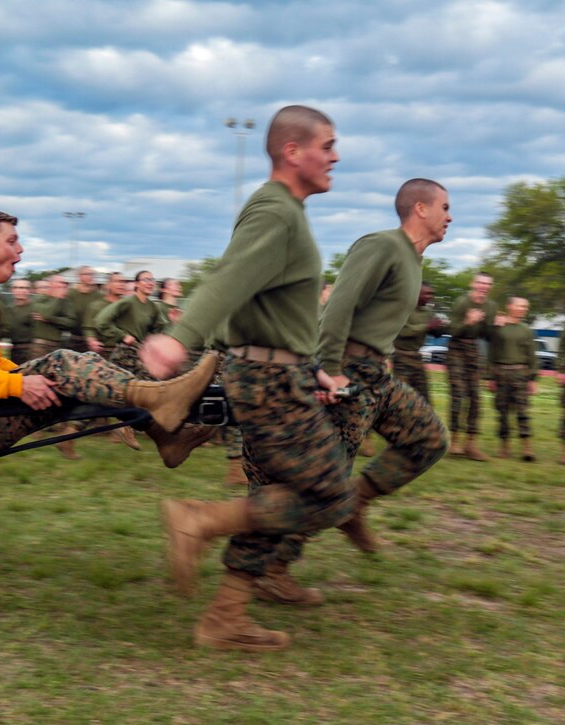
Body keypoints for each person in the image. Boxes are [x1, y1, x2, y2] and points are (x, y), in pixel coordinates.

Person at [142, 105, 348, 652]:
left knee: (279, 494)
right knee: (331, 496)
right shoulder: (275, 211)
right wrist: (179, 337)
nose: (336, 156)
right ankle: (200, 521)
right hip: (269, 382)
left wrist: (311, 367)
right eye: (327, 145)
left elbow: (261, 298)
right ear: (292, 151)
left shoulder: (285, 212)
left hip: (280, 373)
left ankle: (225, 617)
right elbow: (229, 280)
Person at [0, 209, 218, 561]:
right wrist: (19, 385)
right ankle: (158, 403)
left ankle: (165, 435)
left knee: (77, 375)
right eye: (11, 241)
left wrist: (23, 376)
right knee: (64, 362)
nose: (20, 250)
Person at [256, 178, 454, 605]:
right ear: (419, 208)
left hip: (376, 375)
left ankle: (356, 503)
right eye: (444, 207)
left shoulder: (413, 260)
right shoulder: (381, 245)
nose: (449, 216)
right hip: (346, 371)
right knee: (325, 479)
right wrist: (328, 370)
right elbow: (338, 307)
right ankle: (272, 569)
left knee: (429, 438)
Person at [446, 272, 497, 461]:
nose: (484, 286)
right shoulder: (462, 302)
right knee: (458, 394)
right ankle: (454, 441)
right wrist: (468, 322)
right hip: (457, 349)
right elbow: (451, 331)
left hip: (474, 349)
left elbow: (487, 336)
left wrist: (492, 326)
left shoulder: (491, 306)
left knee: (475, 397)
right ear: (473, 284)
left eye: (488, 283)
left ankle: (471, 444)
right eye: (481, 283)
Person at [487, 297, 538, 461]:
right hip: (501, 373)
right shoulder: (499, 327)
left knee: (523, 412)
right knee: (502, 412)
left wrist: (532, 378)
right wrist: (490, 377)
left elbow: (532, 355)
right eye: (520, 306)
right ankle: (504, 447)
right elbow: (491, 352)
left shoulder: (527, 330)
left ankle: (527, 448)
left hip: (521, 373)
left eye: (525, 307)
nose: (523, 309)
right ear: (509, 306)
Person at [95, 271, 169, 376]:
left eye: (152, 280)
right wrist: (123, 336)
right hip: (125, 355)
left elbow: (160, 328)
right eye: (146, 279)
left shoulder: (153, 307)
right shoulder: (128, 302)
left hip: (142, 354)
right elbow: (101, 320)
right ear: (137, 284)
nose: (150, 283)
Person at [391, 283, 444, 404]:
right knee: (400, 398)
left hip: (417, 357)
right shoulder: (404, 309)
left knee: (424, 399)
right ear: (417, 293)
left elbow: (436, 332)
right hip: (401, 357)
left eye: (432, 294)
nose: (430, 296)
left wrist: (439, 327)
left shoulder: (428, 312)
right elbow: (403, 331)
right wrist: (427, 326)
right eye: (427, 293)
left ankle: (424, 422)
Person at [29, 275, 76, 358]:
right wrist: (57, 298)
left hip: (57, 345)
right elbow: (47, 314)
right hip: (40, 345)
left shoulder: (65, 301)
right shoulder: (40, 298)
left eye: (65, 284)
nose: (64, 286)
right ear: (50, 284)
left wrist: (52, 320)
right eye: (60, 283)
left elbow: (71, 322)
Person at [67, 266, 102, 352]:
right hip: (74, 337)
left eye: (92, 274)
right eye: (88, 274)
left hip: (92, 339)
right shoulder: (71, 293)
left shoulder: (98, 295)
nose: (91, 277)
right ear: (79, 276)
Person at [2, 278, 35, 364]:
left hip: (32, 351)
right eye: (17, 287)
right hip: (15, 350)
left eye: (25, 288)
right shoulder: (7, 309)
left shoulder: (36, 308)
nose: (21, 291)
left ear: (30, 290)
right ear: (12, 290)